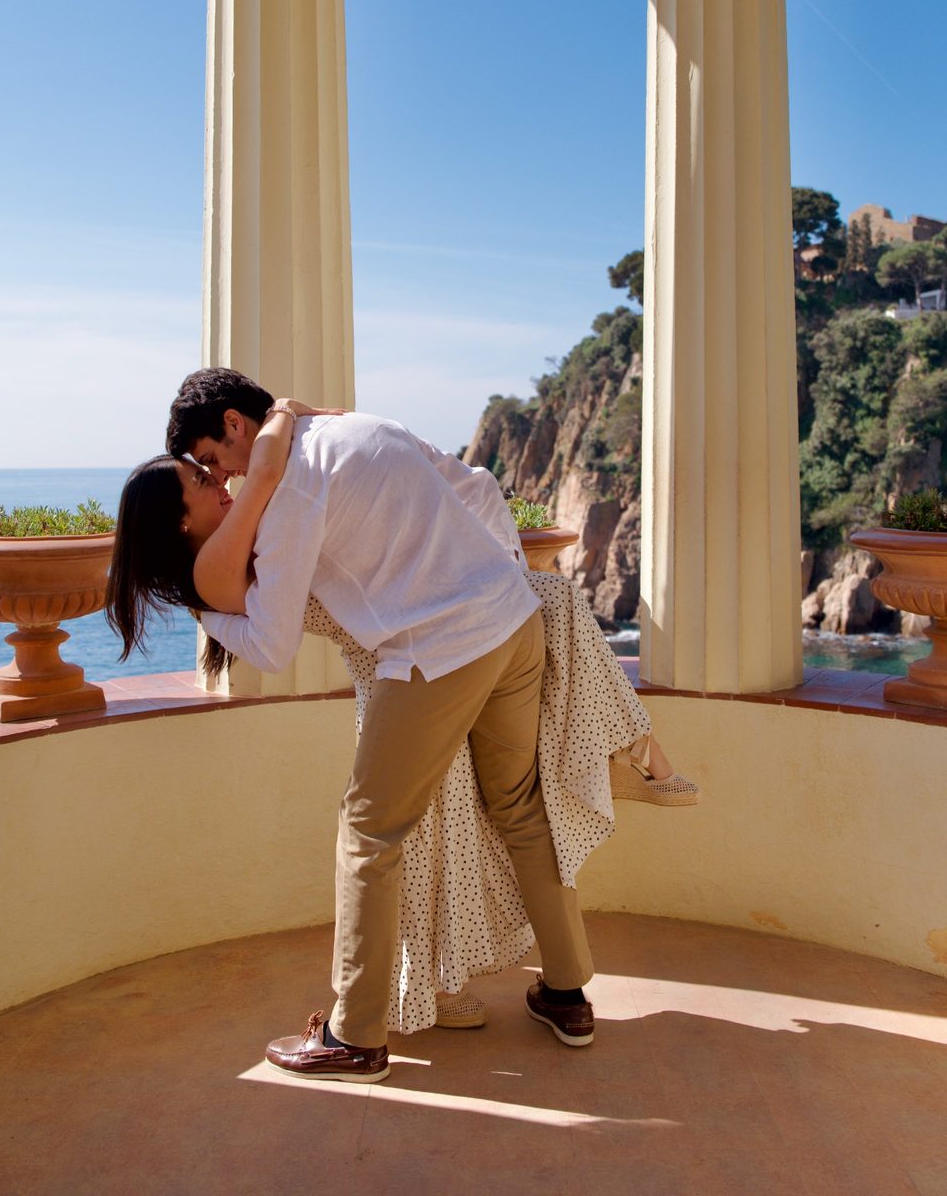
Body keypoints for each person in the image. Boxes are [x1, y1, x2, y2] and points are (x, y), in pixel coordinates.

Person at [107, 371, 698, 1080]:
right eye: (204, 475)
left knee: (368, 833)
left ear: (237, 425)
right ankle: (567, 993)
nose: (222, 475)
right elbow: (475, 485)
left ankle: (356, 1035)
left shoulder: (288, 491)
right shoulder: (362, 425)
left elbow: (269, 646)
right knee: (519, 807)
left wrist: (205, 613)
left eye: (212, 457)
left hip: (438, 655)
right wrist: (493, 575)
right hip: (512, 623)